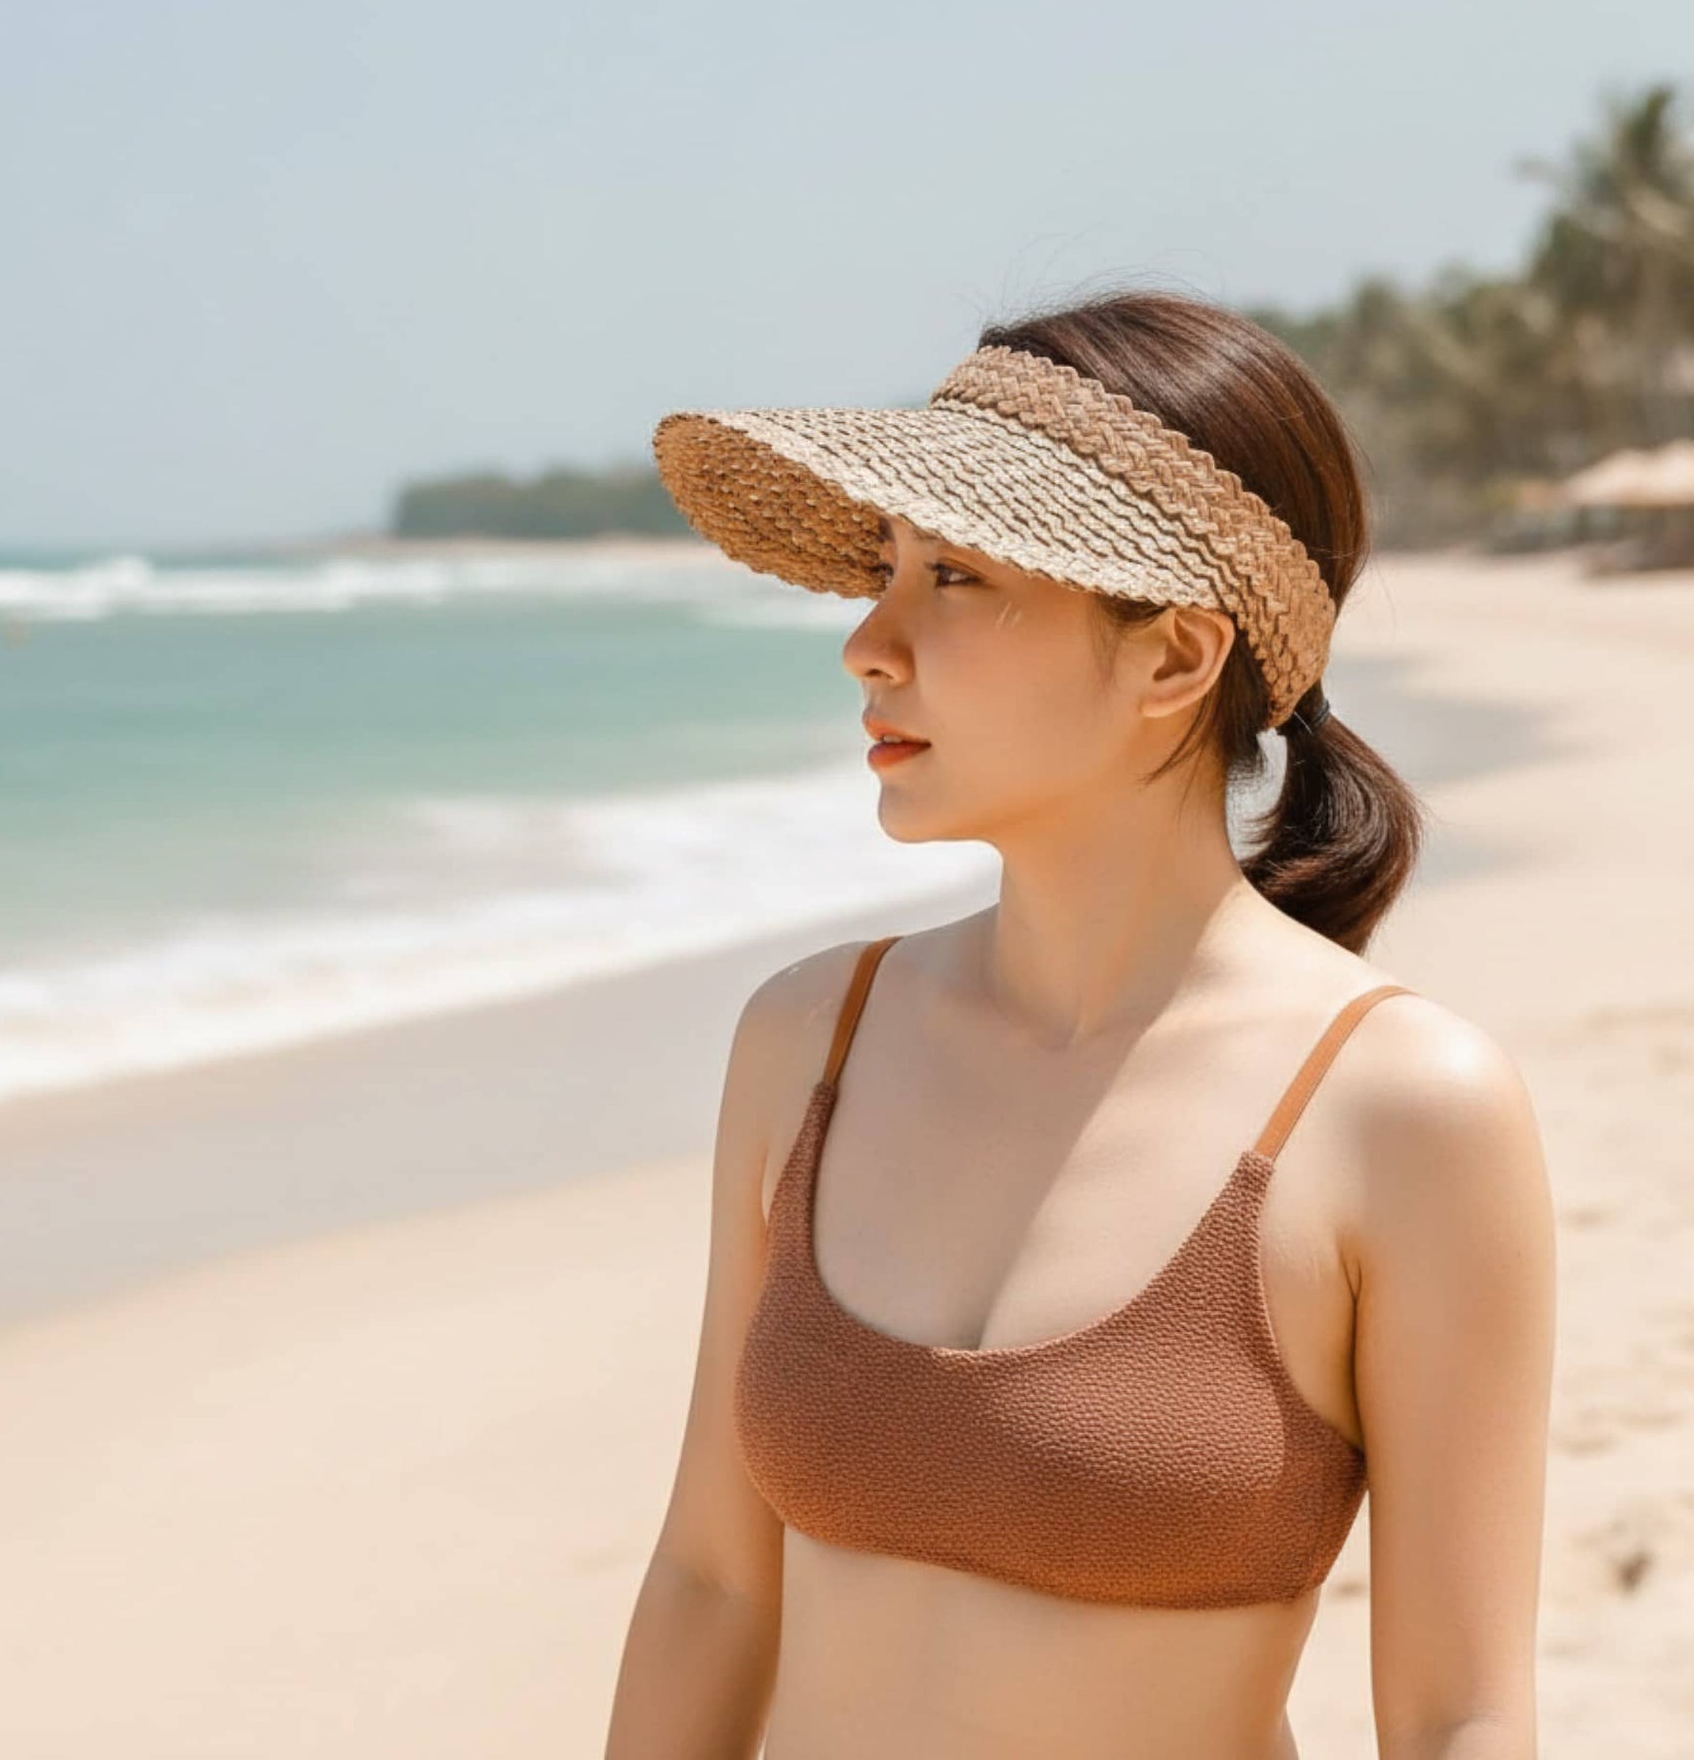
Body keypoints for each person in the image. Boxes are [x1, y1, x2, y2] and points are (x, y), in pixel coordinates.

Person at [603, 288, 1556, 1760]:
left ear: (1173, 658)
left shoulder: (1399, 1109)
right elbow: (714, 1582)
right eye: (884, 568)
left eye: (956, 579)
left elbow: (1460, 1716)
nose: (868, 640)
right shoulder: (809, 1039)